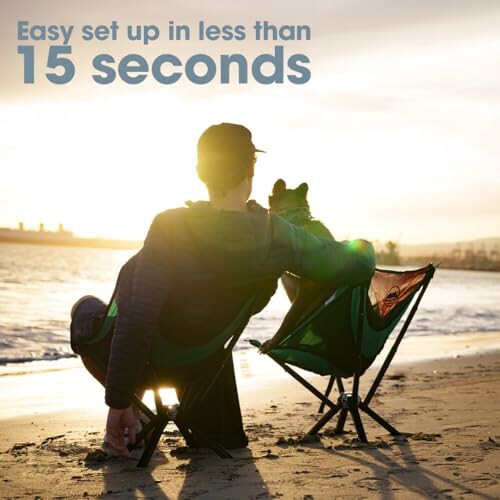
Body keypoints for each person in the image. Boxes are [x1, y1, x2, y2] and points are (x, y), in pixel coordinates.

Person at [75, 123, 376, 457]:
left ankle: (140, 412)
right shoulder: (277, 233)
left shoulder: (169, 225)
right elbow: (354, 262)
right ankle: (194, 419)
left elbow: (139, 316)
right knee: (201, 319)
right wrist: (363, 247)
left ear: (201, 172)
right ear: (251, 169)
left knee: (86, 311)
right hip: (207, 358)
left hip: (156, 359)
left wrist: (118, 400)